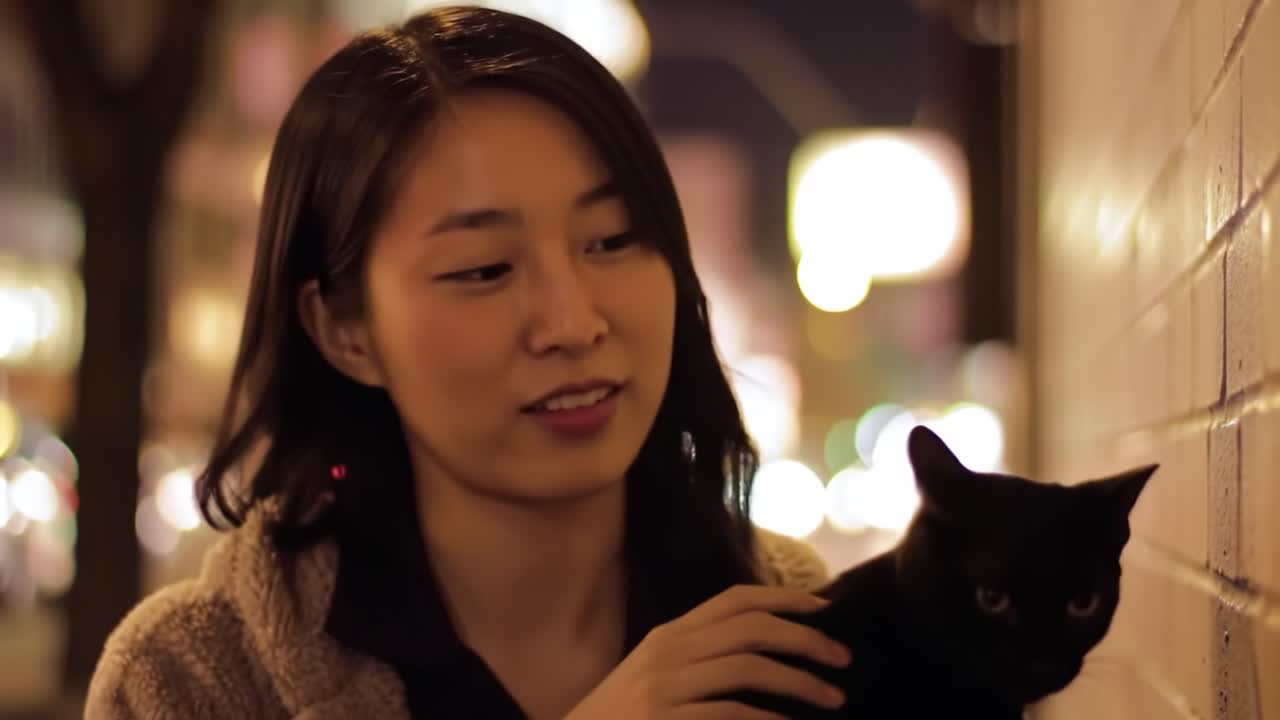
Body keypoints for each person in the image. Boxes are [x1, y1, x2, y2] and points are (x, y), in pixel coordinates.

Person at [86, 7, 852, 719]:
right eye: (484, 269)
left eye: (613, 240)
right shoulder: (193, 676)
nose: (573, 323)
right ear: (344, 330)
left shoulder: (790, 620)